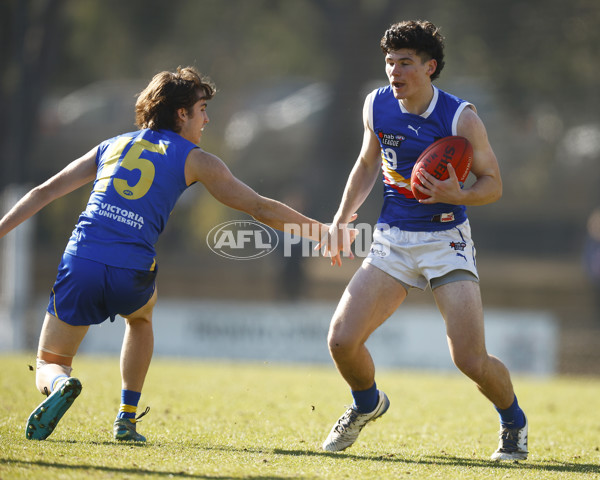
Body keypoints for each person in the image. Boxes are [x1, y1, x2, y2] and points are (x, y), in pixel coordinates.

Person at [0, 66, 352, 443]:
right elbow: (259, 207)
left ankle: (58, 386)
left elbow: (45, 191)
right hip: (131, 269)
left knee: (50, 361)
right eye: (202, 108)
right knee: (141, 317)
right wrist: (322, 232)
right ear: (181, 113)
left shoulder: (112, 145)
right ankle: (126, 417)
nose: (207, 118)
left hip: (82, 258)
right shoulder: (197, 159)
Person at [319, 21, 528, 461]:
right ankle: (366, 403)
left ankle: (513, 422)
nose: (394, 72)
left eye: (406, 63)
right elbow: (366, 163)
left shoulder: (459, 117)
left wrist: (461, 194)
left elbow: (494, 185)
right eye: (390, 62)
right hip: (393, 238)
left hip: (445, 239)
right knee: (341, 340)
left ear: (430, 67)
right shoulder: (376, 105)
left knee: (470, 360)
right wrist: (341, 217)